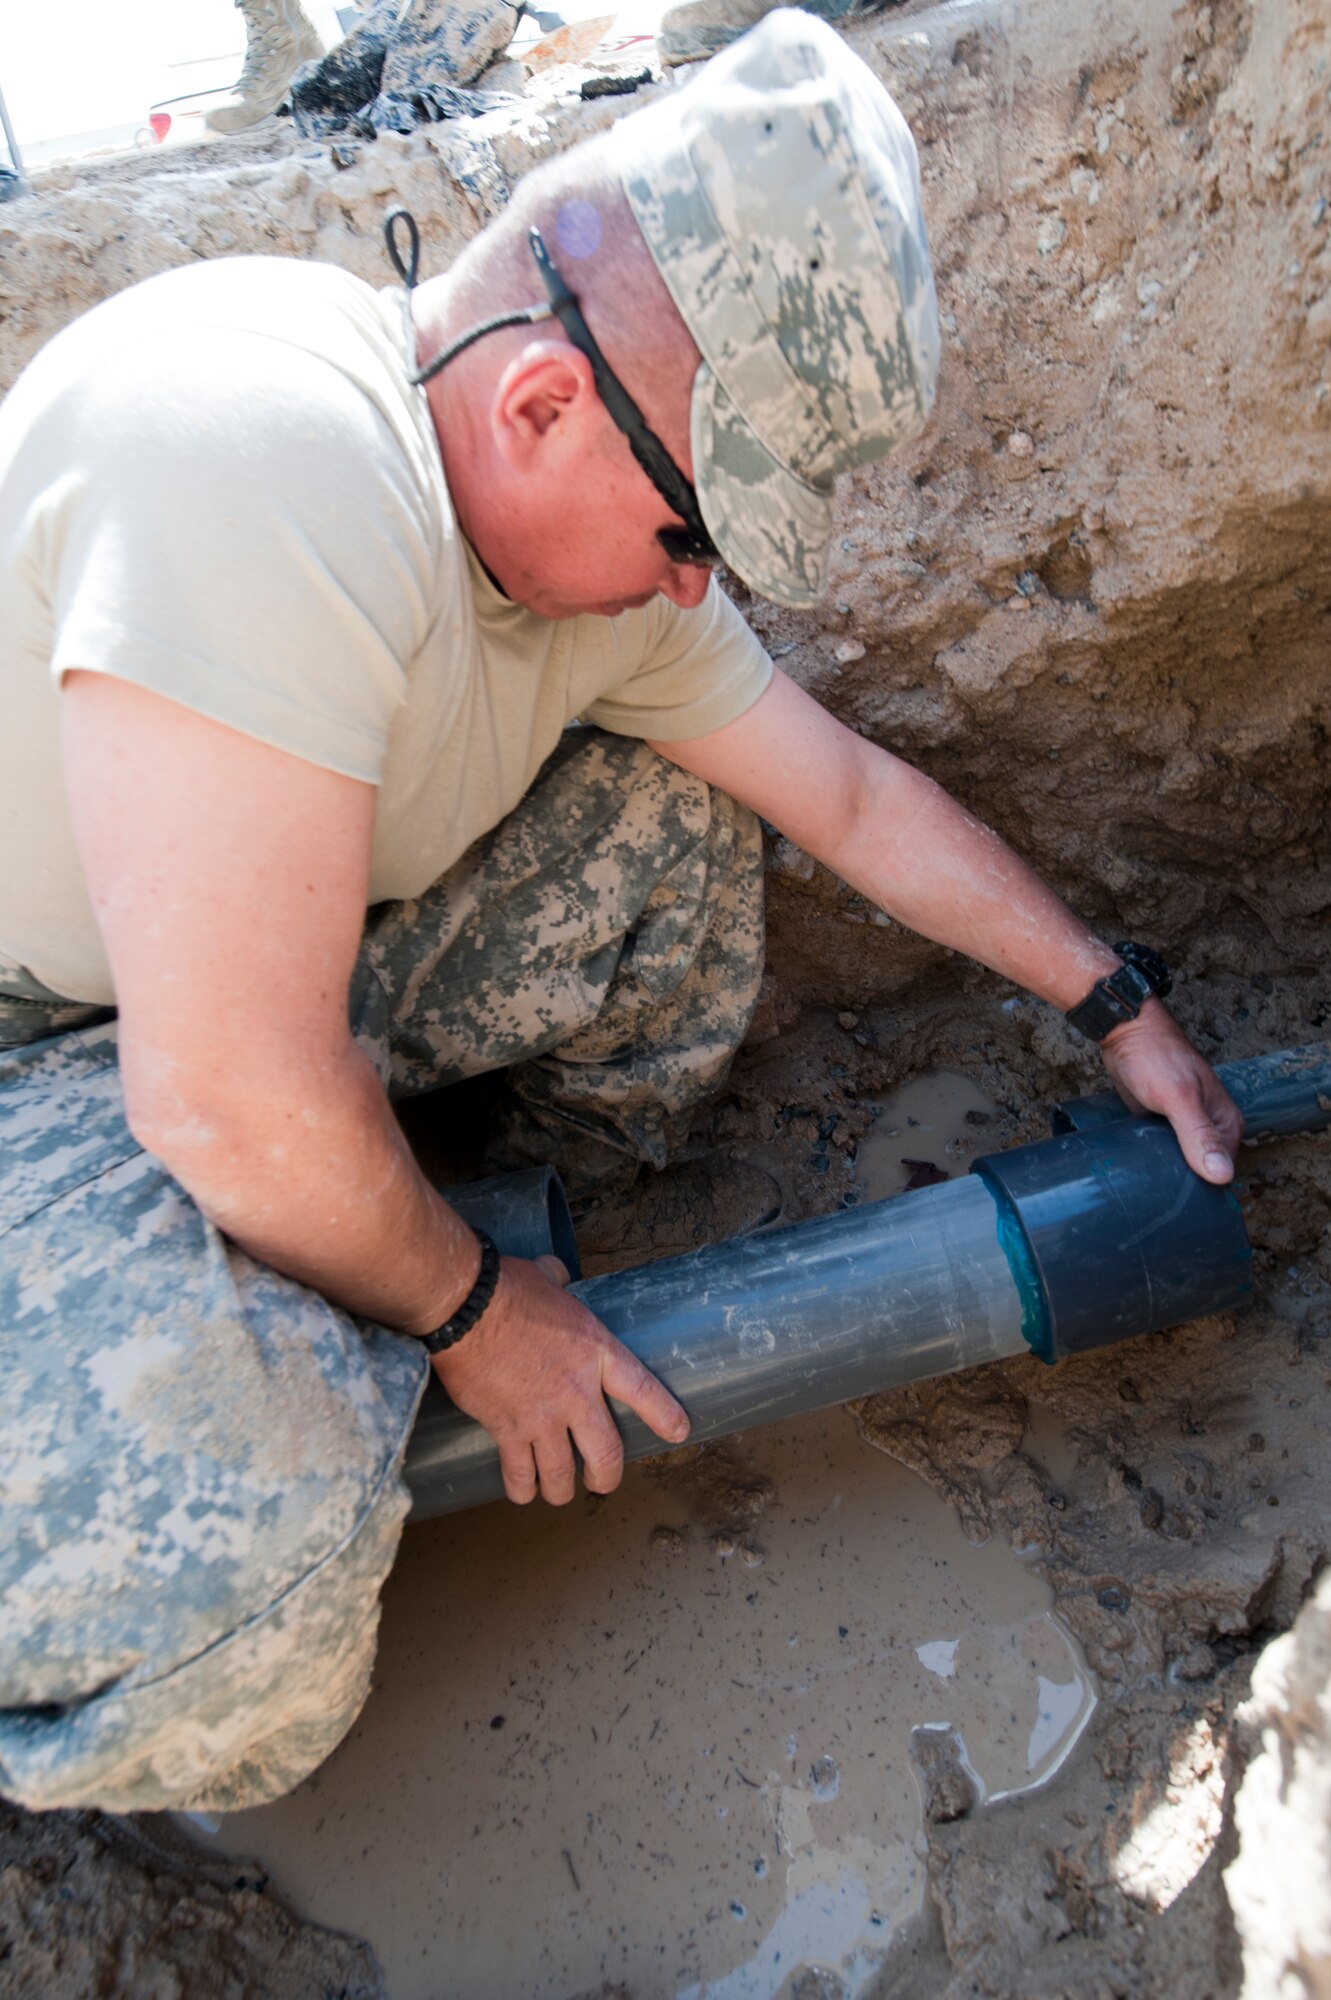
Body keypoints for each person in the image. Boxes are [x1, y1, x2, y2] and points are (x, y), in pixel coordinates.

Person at [0, 10, 1240, 1817]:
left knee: (677, 821)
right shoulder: (260, 453)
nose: (697, 583)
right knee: (239, 1562)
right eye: (692, 532)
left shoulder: (593, 573)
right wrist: (480, 1318)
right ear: (543, 402)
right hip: (44, 1050)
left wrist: (1117, 1007)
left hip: (215, 993)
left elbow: (856, 799)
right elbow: (218, 1098)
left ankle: (353, 1245)